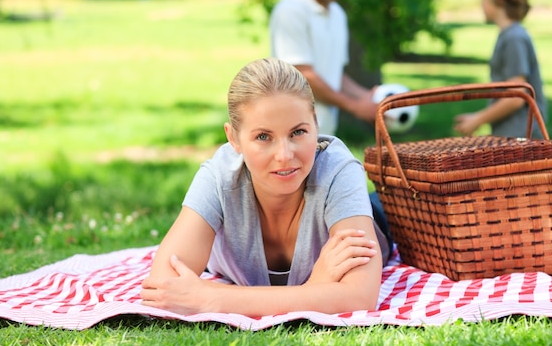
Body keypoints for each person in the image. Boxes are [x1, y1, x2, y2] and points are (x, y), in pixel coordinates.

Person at [140, 57, 389, 316]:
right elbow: (162, 287)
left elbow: (360, 295)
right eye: (263, 136)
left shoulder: (339, 170)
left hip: (368, 215)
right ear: (233, 138)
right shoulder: (219, 177)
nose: (284, 155)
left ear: (315, 124)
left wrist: (213, 299)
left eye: (298, 132)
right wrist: (316, 288)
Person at [269, 0, 378, 136]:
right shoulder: (290, 11)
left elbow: (336, 74)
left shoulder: (337, 14)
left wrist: (370, 98)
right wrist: (355, 106)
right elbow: (302, 75)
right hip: (292, 134)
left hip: (325, 133)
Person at [454, 0, 548, 138]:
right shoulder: (509, 35)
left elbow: (516, 97)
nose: (481, 3)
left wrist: (478, 119)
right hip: (513, 134)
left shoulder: (514, 38)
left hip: (520, 138)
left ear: (499, 0)